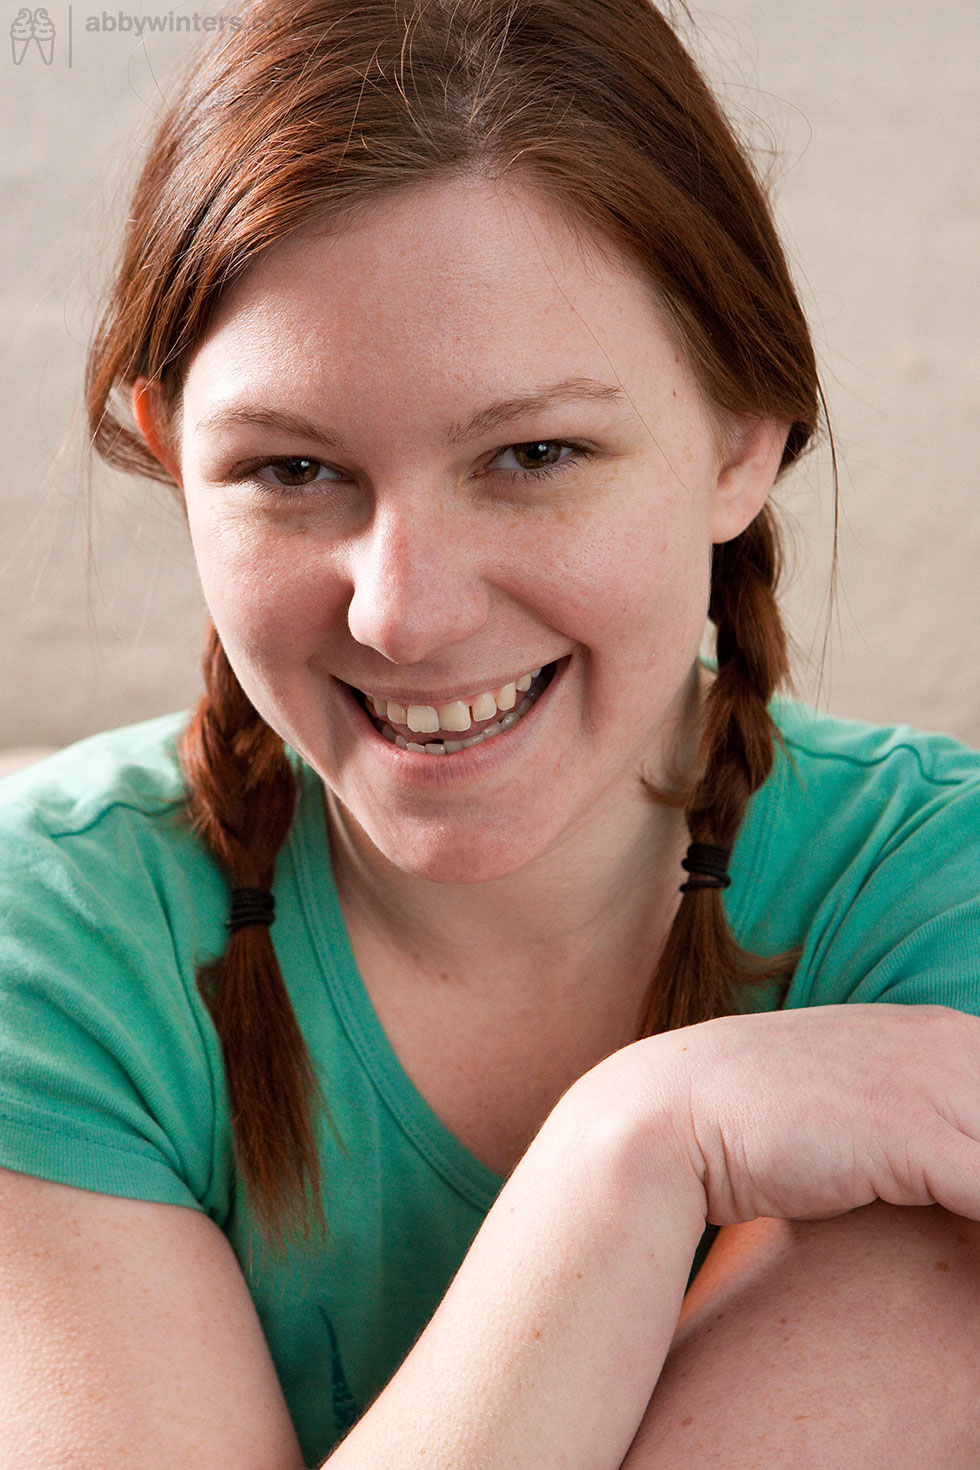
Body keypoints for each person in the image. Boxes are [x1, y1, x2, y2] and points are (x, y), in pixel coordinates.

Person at [2, 0, 980, 1464]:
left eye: (533, 453)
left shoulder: (937, 899)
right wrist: (636, 1151)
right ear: (171, 451)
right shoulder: (49, 944)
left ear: (742, 437)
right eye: (292, 469)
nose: (404, 614)